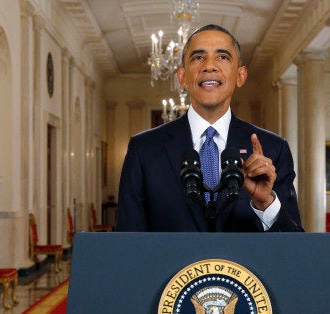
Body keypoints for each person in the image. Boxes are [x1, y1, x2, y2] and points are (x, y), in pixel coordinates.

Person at [116, 24, 303, 232]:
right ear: (182, 77)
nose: (209, 66)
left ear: (241, 76)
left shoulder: (274, 149)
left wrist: (266, 203)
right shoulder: (143, 149)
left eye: (222, 57)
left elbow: (293, 245)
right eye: (198, 57)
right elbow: (128, 242)